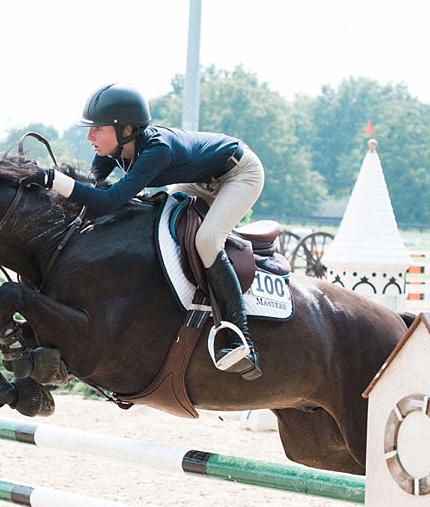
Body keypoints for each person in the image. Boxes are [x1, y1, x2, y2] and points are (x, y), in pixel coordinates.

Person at [31, 82, 266, 379]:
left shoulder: (157, 150)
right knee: (157, 224)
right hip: (198, 179)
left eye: (98, 129)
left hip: (238, 173)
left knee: (206, 240)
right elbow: (91, 188)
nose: (90, 136)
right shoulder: (112, 150)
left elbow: (110, 201)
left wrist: (53, 180)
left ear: (126, 130)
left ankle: (242, 338)